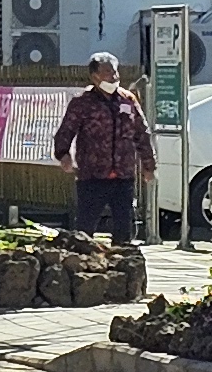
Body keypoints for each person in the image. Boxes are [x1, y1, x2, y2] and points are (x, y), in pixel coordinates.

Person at [50, 52, 156, 240]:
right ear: (95, 76)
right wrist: (63, 154)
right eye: (107, 73)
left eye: (115, 72)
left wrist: (149, 165)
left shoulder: (127, 99)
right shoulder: (82, 102)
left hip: (123, 174)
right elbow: (66, 131)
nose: (113, 77)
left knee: (124, 228)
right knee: (85, 228)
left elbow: (141, 133)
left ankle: (122, 263)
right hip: (92, 175)